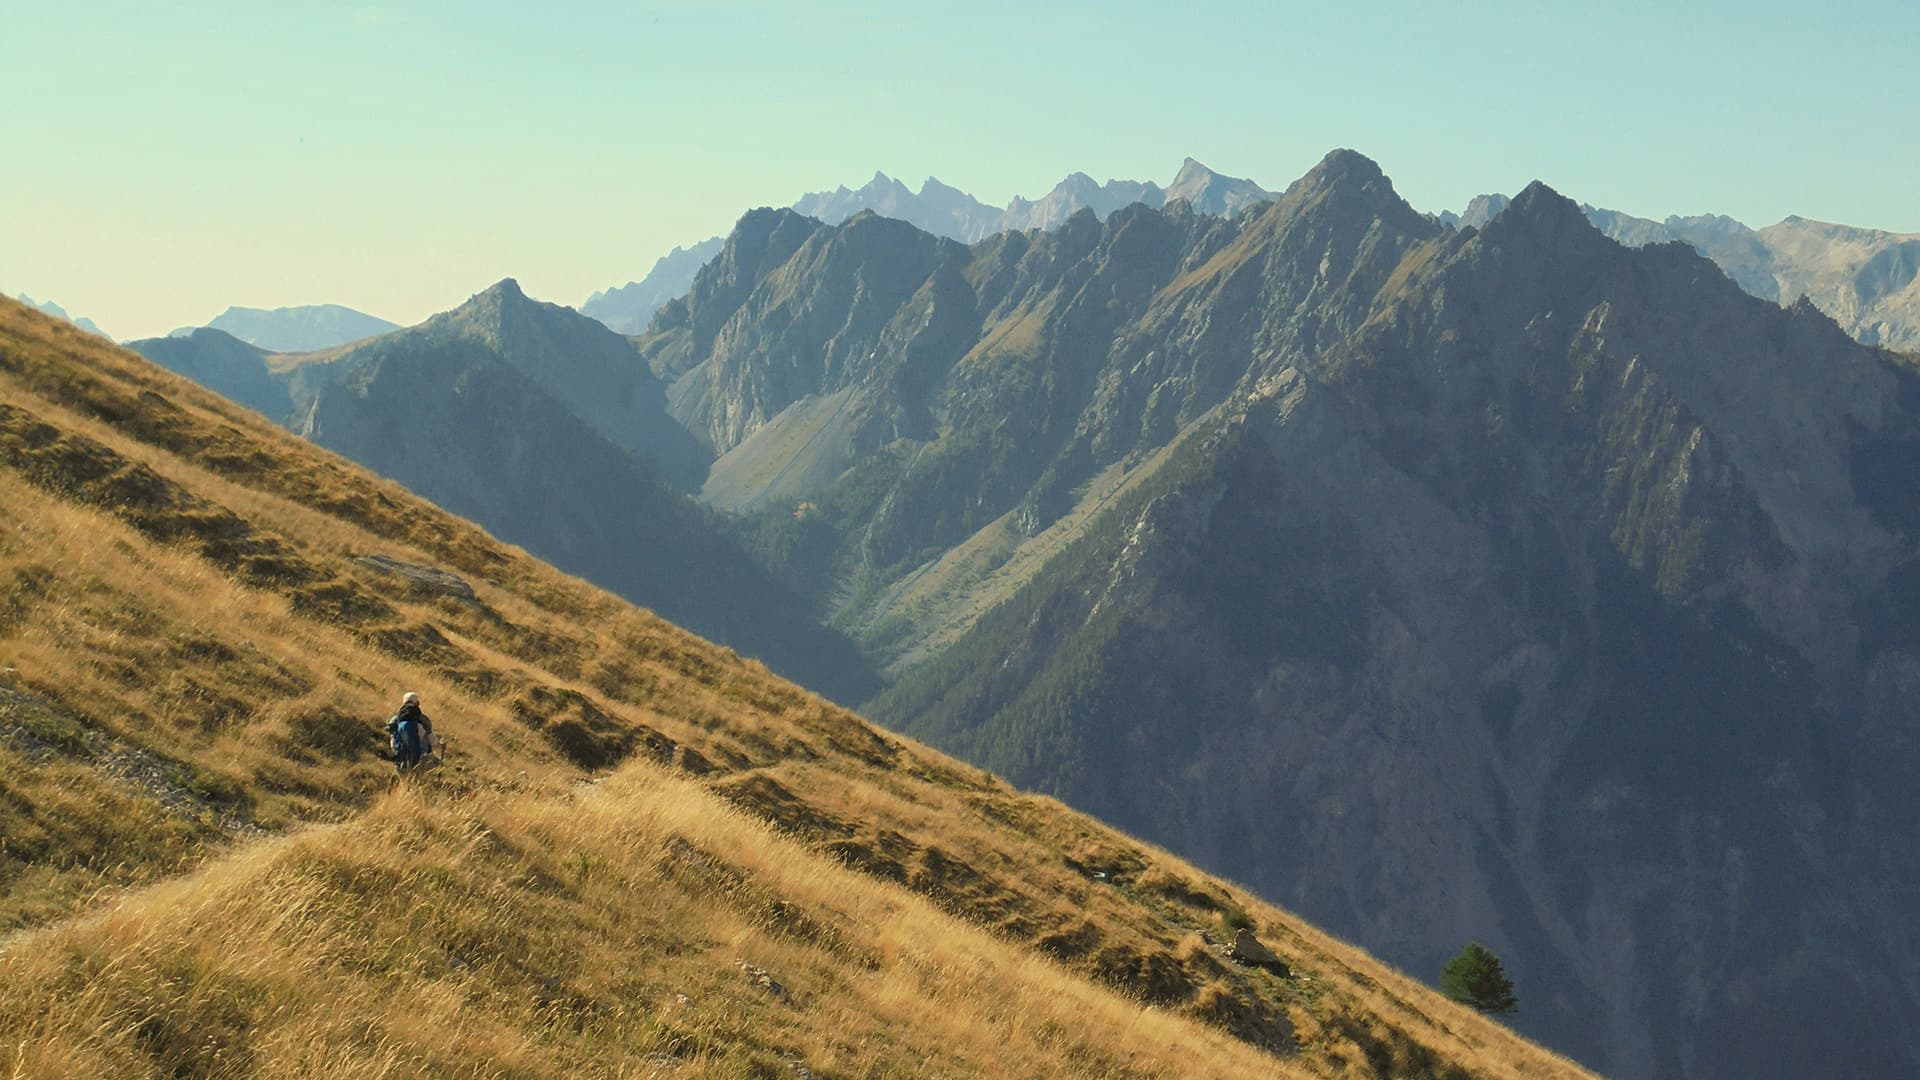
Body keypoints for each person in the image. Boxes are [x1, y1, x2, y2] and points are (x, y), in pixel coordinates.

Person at [386, 691, 435, 774]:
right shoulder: (423, 719)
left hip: (400, 755)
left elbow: (392, 736)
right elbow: (433, 741)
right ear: (417, 703)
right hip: (419, 757)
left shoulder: (395, 719)